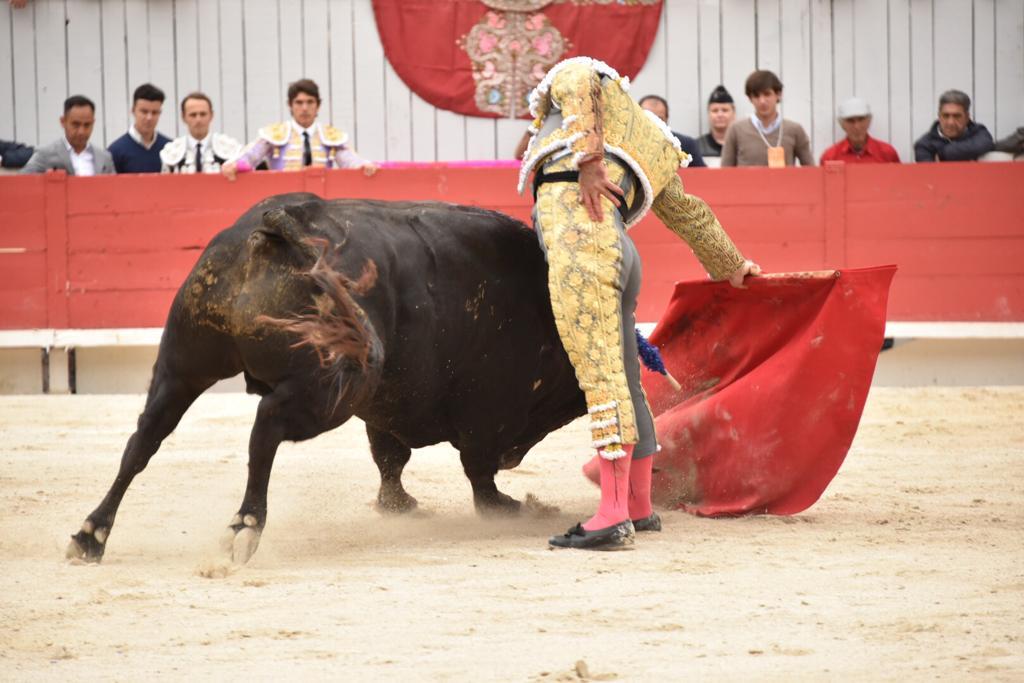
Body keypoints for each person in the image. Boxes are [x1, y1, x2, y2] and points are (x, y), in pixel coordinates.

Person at [519, 56, 759, 550]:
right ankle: (638, 504)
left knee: (601, 374)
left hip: (582, 234)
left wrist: (587, 161)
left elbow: (578, 79)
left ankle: (611, 514)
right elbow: (688, 213)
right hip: (619, 247)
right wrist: (731, 265)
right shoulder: (651, 141)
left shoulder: (579, 77)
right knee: (625, 375)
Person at [222, 78, 377, 179]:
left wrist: (363, 165)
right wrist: (234, 164)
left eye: (310, 102)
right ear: (290, 105)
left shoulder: (330, 136)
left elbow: (349, 159)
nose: (304, 108)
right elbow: (251, 154)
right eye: (299, 102)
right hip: (282, 202)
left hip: (321, 203)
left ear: (318, 105)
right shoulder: (275, 134)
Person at [721, 70, 813, 167]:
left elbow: (810, 170)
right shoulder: (736, 130)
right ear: (750, 99)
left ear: (778, 95)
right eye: (756, 96)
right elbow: (725, 172)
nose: (762, 101)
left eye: (767, 94)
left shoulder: (795, 130)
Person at [21, 95, 114, 176]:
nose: (81, 131)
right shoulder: (45, 154)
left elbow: (115, 190)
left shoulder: (104, 157)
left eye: (87, 125)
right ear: (63, 121)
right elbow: (22, 183)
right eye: (75, 124)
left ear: (93, 123)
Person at [159, 92, 243, 174]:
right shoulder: (171, 152)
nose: (198, 120)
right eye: (193, 115)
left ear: (211, 115)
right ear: (183, 117)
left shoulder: (230, 148)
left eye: (203, 114)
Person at [914, 90, 994, 162]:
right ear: (939, 116)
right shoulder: (924, 144)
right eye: (946, 116)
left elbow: (985, 144)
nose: (951, 122)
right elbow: (929, 175)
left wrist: (943, 154)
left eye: (957, 116)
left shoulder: (978, 131)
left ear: (967, 117)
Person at [108, 83, 171, 173]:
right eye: (144, 112)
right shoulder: (115, 151)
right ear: (133, 110)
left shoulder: (170, 148)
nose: (149, 118)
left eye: (155, 112)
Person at [819, 97, 900, 164]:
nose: (857, 126)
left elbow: (898, 181)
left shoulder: (887, 153)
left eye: (861, 119)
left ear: (869, 120)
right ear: (842, 124)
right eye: (850, 121)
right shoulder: (830, 157)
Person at [637, 94, 706, 168]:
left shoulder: (686, 145)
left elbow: (703, 175)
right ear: (638, 117)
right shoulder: (627, 144)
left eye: (659, 119)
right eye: (648, 118)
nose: (654, 123)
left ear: (667, 118)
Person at [698, 85, 736, 159]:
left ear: (734, 114)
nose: (720, 115)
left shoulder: (742, 146)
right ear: (708, 114)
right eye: (715, 111)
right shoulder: (697, 147)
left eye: (725, 110)